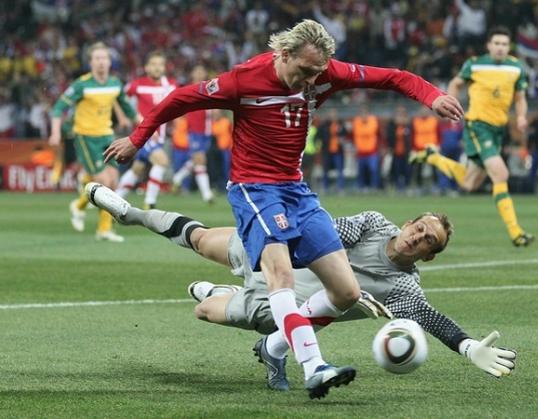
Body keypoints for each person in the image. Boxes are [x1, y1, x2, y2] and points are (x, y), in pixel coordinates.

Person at [102, 19, 463, 399]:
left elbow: (392, 77)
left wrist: (432, 97)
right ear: (284, 54)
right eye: (305, 70)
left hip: (296, 190)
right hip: (255, 189)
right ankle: (314, 366)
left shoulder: (326, 73)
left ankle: (272, 347)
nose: (312, 80)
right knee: (281, 276)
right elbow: (181, 99)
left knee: (346, 292)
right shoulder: (243, 80)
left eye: (318, 72)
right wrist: (137, 139)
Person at [86, 182, 517, 392]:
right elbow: (321, 236)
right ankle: (129, 212)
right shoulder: (372, 224)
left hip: (279, 308)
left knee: (204, 311)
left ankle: (221, 295)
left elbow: (430, 318)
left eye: (428, 242)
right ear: (408, 223)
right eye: (419, 228)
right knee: (199, 239)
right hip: (277, 253)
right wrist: (275, 254)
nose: (418, 238)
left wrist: (467, 346)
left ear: (429, 256)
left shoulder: (403, 288)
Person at [412, 26, 534, 247]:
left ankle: (433, 157)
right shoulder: (475, 64)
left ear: (509, 47)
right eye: (496, 43)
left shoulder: (516, 67)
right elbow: (455, 84)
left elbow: (520, 97)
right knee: (501, 173)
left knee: (469, 184)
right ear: (489, 45)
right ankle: (516, 233)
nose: (500, 47)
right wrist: (449, 106)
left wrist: (522, 116)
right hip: (478, 126)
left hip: (498, 131)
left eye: (504, 44)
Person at [48, 42, 137, 242]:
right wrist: (55, 132)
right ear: (90, 63)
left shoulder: (115, 83)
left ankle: (81, 208)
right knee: (104, 181)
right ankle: (102, 228)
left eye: (104, 58)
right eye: (97, 58)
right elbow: (58, 108)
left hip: (107, 135)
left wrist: (148, 127)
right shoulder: (81, 84)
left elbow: (129, 110)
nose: (101, 62)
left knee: (113, 182)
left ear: (110, 62)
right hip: (86, 137)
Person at [115, 51, 177, 209]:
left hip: (160, 136)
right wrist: (122, 117)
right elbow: (118, 98)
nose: (157, 67)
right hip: (145, 133)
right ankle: (150, 203)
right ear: (146, 67)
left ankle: (114, 200)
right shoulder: (137, 85)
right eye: (153, 64)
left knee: (137, 169)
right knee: (162, 161)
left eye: (161, 64)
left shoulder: (170, 85)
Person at [171, 65, 215, 203]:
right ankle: (207, 194)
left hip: (207, 131)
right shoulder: (189, 89)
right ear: (192, 74)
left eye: (202, 71)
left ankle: (178, 177)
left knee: (196, 160)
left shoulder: (211, 88)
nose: (200, 74)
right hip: (195, 130)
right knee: (200, 160)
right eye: (197, 71)